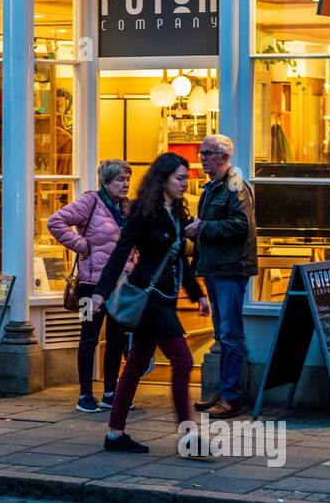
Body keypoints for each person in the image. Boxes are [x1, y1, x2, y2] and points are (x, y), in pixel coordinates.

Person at [92, 153, 210, 453]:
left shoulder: (176, 212)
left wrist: (197, 294)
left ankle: (115, 434)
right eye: (180, 178)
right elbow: (121, 251)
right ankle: (188, 436)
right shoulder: (145, 212)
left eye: (186, 178)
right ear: (163, 179)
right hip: (149, 296)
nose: (185, 183)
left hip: (164, 298)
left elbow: (177, 257)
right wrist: (101, 292)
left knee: (135, 364)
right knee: (182, 360)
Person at [48, 159, 137, 413]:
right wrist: (83, 246)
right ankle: (85, 394)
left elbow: (132, 242)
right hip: (90, 285)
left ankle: (111, 392)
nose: (125, 184)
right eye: (120, 179)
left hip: (119, 286)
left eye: (127, 179)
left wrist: (131, 263)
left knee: (117, 337)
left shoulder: (126, 208)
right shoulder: (90, 202)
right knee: (89, 336)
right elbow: (56, 222)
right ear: (106, 181)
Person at [185, 134, 257, 419]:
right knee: (221, 334)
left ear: (223, 157)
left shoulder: (235, 186)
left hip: (230, 269)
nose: (202, 157)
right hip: (215, 268)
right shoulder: (211, 188)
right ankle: (224, 393)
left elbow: (241, 225)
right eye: (201, 152)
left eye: (207, 153)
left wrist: (202, 227)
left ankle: (231, 397)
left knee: (230, 335)